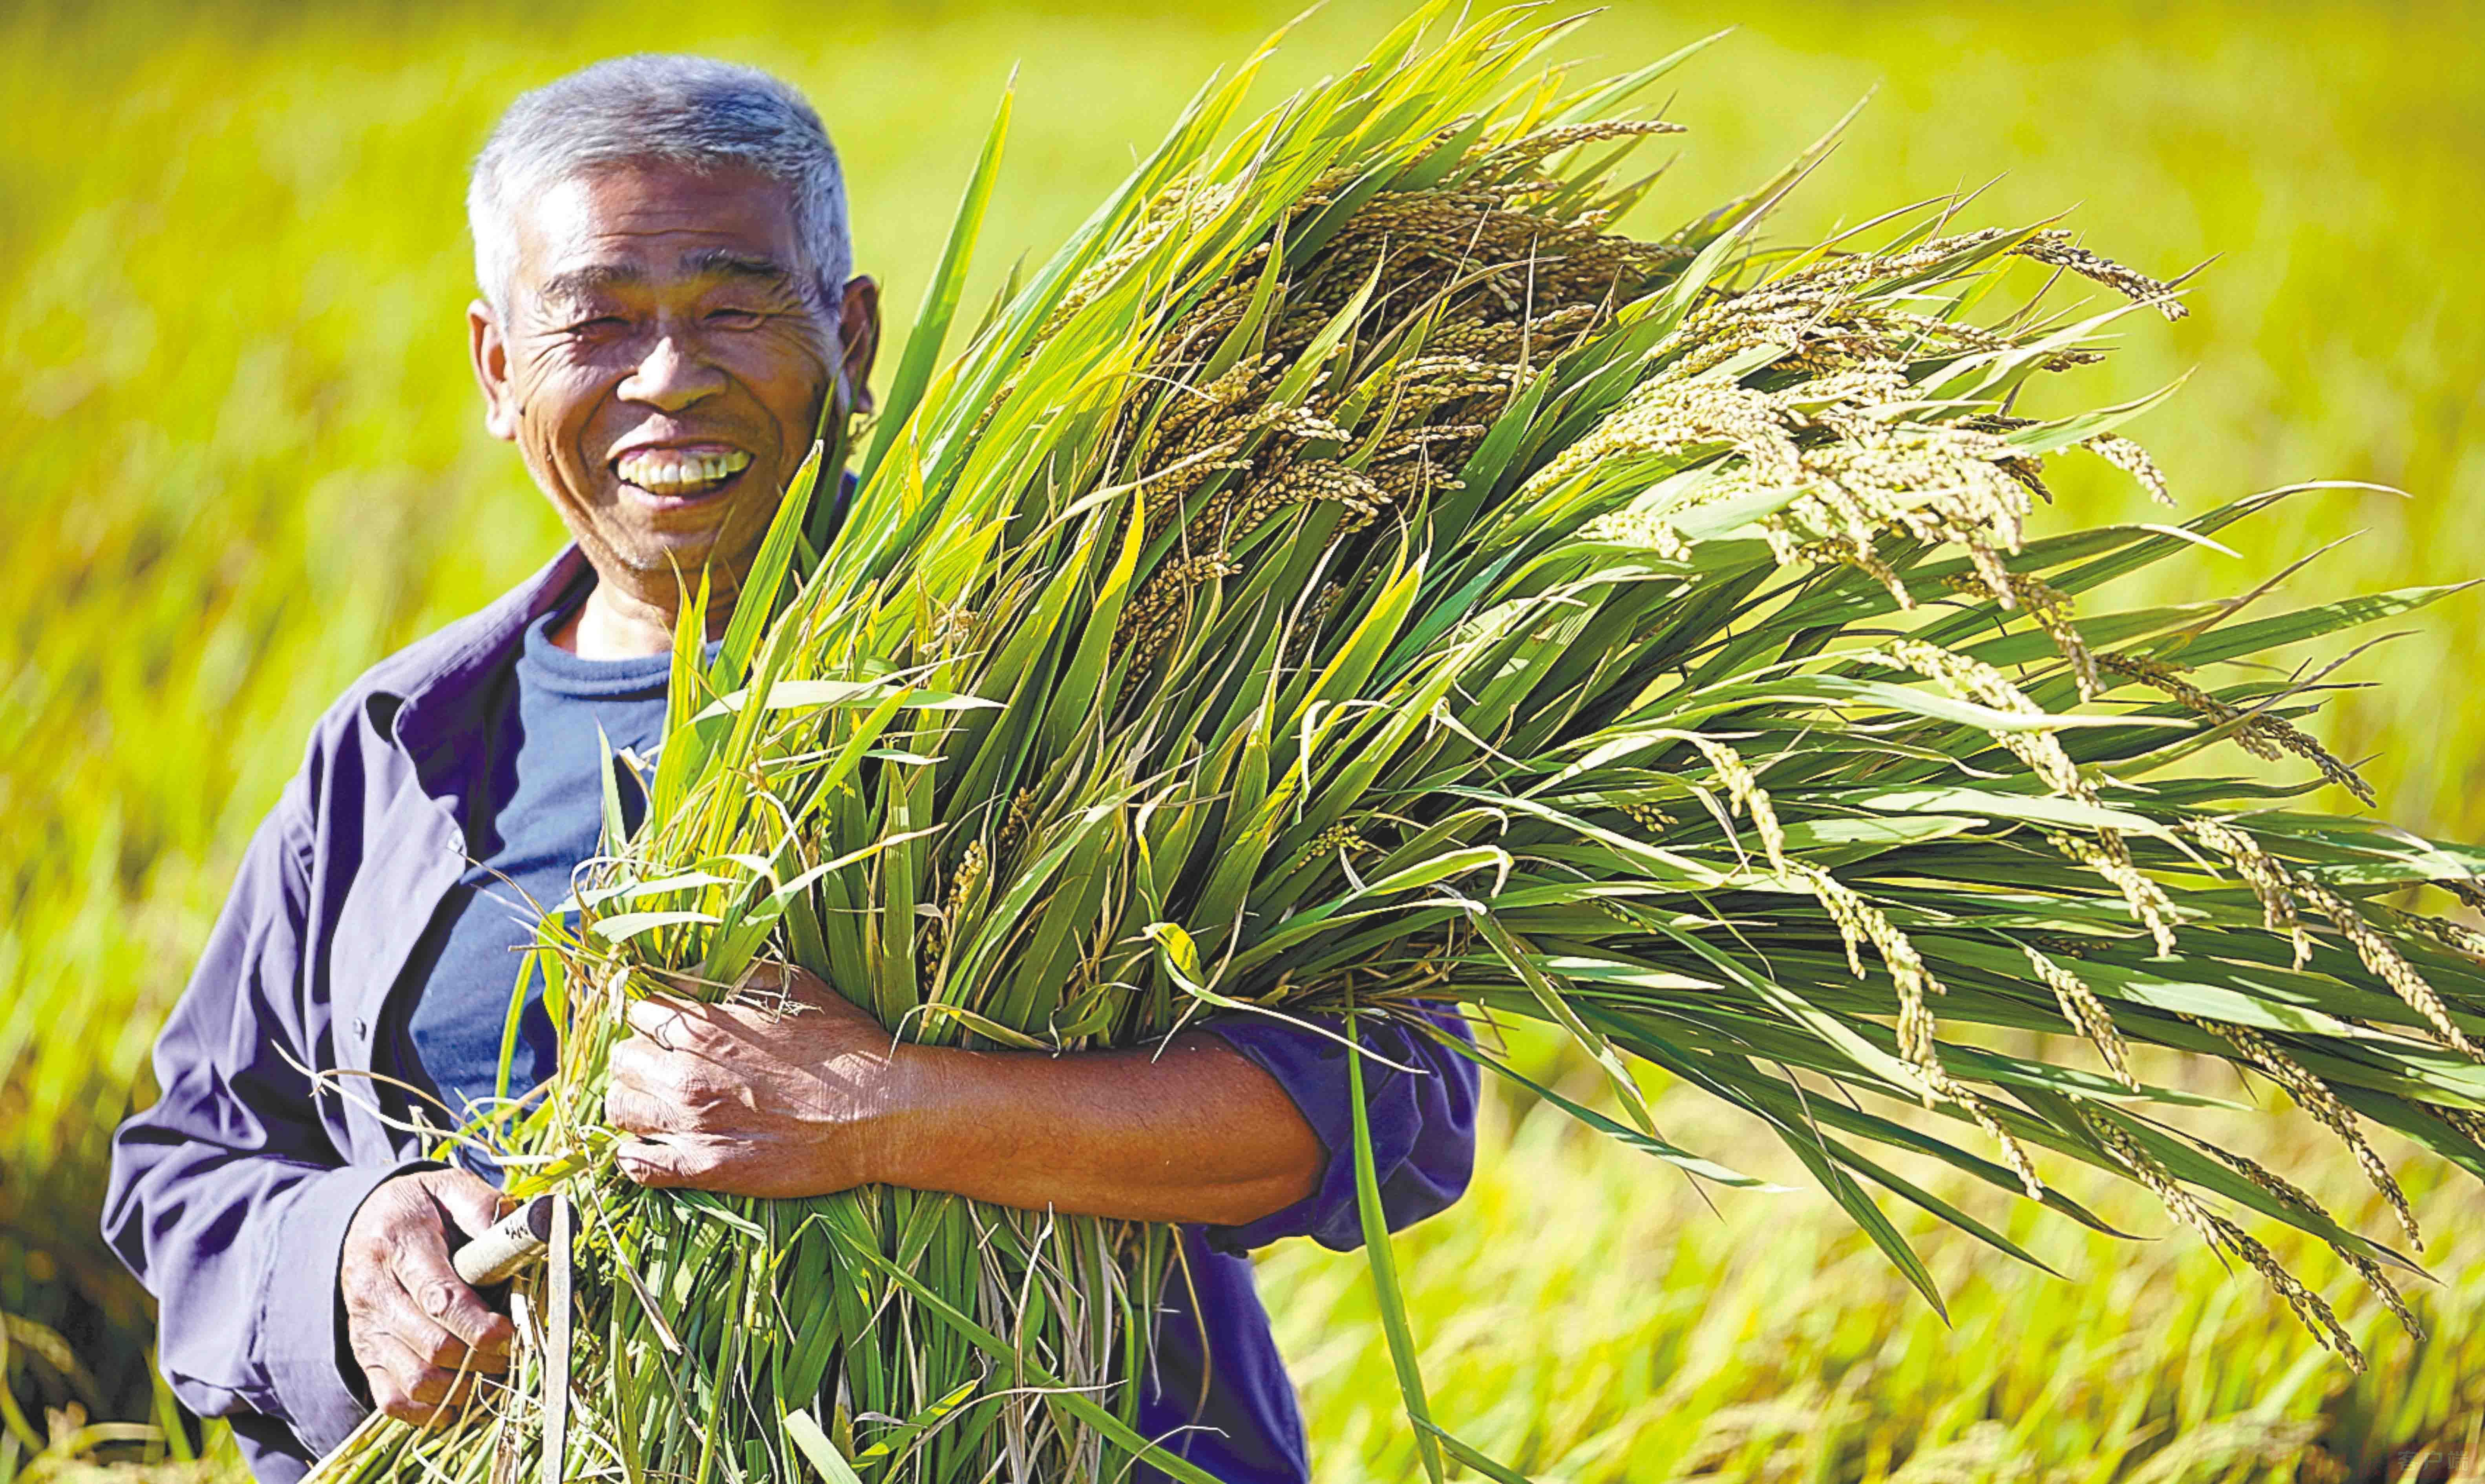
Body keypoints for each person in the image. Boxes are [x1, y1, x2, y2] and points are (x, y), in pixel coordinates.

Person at [100, 55, 1475, 1484]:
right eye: (597, 324)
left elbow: (1389, 1102)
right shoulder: (399, 749)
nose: (668, 379)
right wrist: (348, 1252)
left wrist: (882, 1107)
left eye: (735, 307)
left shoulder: (1077, 695)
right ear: (499, 372)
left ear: (852, 336)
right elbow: (189, 1163)